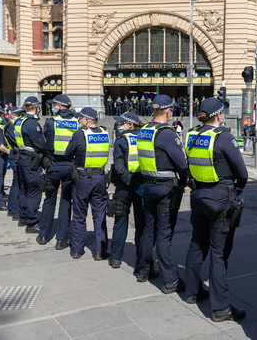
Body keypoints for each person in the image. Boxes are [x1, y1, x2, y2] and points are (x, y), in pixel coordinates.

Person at [184, 97, 249, 322]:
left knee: (196, 245)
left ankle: (192, 292)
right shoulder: (224, 138)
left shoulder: (192, 135)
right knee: (219, 255)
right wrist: (237, 189)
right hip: (221, 200)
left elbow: (187, 167)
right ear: (219, 115)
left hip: (198, 197)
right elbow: (242, 173)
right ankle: (220, 308)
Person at [137, 94, 188, 291]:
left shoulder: (144, 131)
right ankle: (169, 280)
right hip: (166, 188)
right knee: (164, 234)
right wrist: (183, 181)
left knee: (149, 229)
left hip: (148, 185)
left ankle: (143, 270)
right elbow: (181, 164)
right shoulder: (167, 133)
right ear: (168, 110)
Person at [65, 107, 110, 259]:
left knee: (79, 214)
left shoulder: (80, 134)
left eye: (80, 119)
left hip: (83, 178)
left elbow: (67, 153)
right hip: (100, 178)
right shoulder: (104, 133)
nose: (78, 121)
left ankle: (77, 249)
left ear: (85, 120)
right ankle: (100, 251)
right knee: (99, 215)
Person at [38, 94, 77, 250]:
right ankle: (61, 239)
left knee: (49, 200)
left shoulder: (51, 122)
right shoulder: (77, 122)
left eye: (54, 105)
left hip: (54, 165)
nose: (53, 108)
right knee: (66, 202)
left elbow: (44, 142)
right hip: (70, 167)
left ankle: (43, 235)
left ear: (60, 106)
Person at [108, 111, 145, 270]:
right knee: (142, 226)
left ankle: (116, 258)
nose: (119, 125)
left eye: (122, 122)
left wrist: (130, 183)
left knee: (120, 223)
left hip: (125, 187)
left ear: (131, 124)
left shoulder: (121, 140)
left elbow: (119, 167)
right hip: (142, 187)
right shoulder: (146, 138)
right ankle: (142, 262)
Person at [15, 96, 47, 234]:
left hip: (22, 158)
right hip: (32, 161)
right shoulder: (31, 123)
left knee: (24, 189)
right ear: (35, 107)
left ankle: (23, 216)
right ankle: (32, 222)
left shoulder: (20, 120)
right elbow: (40, 144)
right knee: (34, 191)